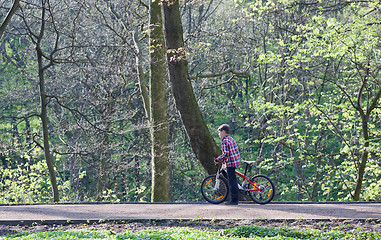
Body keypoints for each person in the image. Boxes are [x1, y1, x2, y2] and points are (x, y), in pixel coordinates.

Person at [214, 124, 240, 205]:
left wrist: (217, 159)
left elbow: (226, 154)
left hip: (231, 162)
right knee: (232, 179)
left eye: (220, 132)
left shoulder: (225, 141)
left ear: (224, 132)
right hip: (235, 161)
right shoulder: (231, 139)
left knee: (232, 182)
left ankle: (234, 200)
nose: (219, 134)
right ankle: (235, 198)